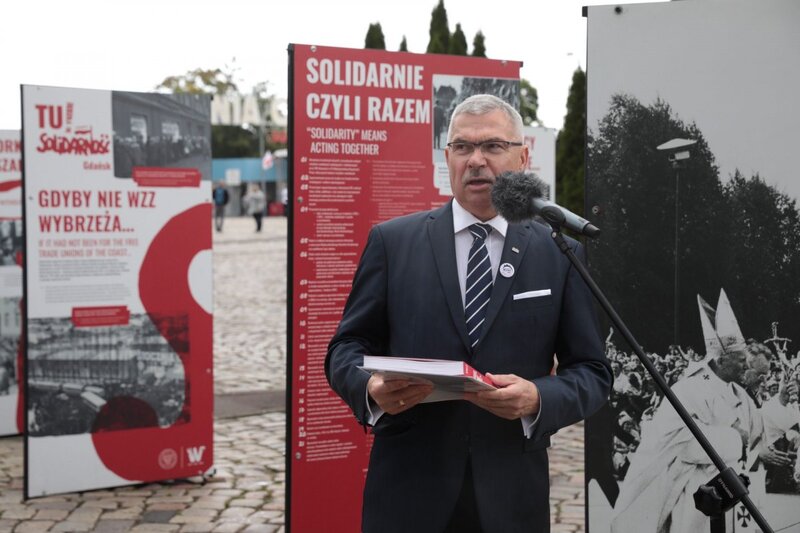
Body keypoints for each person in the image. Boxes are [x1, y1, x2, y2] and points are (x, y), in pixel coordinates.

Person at [325, 94, 612, 533]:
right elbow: (345, 349)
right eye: (462, 147)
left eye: (493, 146)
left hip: (511, 498)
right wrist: (370, 390)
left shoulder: (558, 252)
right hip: (408, 494)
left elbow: (592, 373)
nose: (476, 160)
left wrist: (537, 399)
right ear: (447, 157)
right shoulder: (392, 242)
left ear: (523, 154)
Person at [611, 289, 768, 533]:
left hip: (733, 495)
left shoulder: (740, 394)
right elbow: (684, 443)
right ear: (721, 359)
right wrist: (734, 438)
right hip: (694, 495)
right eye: (739, 359)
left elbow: (754, 444)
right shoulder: (687, 390)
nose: (745, 365)